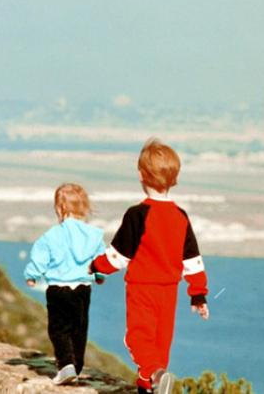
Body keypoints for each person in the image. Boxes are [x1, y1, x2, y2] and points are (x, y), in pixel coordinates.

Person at [90, 138, 209, 394]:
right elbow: (192, 260)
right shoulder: (180, 216)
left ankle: (154, 375)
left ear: (141, 175)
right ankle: (151, 385)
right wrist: (198, 294)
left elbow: (117, 257)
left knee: (138, 338)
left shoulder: (137, 214)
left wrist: (93, 266)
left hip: (142, 288)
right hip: (170, 291)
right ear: (174, 178)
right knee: (160, 342)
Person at [24, 183, 106, 385]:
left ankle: (65, 365)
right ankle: (76, 367)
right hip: (82, 289)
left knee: (58, 329)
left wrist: (32, 275)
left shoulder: (52, 235)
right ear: (85, 208)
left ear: (59, 209)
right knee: (79, 329)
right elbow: (101, 259)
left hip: (58, 289)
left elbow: (40, 258)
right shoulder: (94, 235)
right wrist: (99, 274)